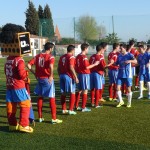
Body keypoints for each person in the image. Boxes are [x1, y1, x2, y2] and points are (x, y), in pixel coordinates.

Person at [27, 42, 62, 124]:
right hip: (47, 79)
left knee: (40, 97)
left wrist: (34, 73)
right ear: (50, 49)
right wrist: (51, 75)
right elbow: (50, 66)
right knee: (51, 97)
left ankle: (40, 117)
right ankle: (53, 118)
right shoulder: (50, 57)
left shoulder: (37, 56)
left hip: (40, 79)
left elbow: (28, 65)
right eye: (52, 48)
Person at [5, 56, 33, 133]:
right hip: (18, 86)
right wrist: (26, 75)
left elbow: (5, 71)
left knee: (11, 105)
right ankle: (24, 125)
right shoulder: (19, 60)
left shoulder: (8, 59)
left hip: (9, 85)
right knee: (26, 104)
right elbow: (21, 74)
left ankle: (12, 124)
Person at [75, 43, 99, 112]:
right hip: (84, 75)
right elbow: (86, 67)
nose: (88, 50)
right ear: (85, 48)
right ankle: (83, 107)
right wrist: (95, 64)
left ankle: (76, 106)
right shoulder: (84, 57)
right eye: (88, 48)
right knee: (85, 91)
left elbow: (76, 66)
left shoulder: (78, 56)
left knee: (79, 90)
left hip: (79, 74)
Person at [58, 45, 79, 115]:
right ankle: (70, 109)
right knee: (72, 92)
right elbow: (71, 67)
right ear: (73, 50)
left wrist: (60, 75)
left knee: (63, 93)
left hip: (62, 75)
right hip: (68, 76)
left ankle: (64, 109)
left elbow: (58, 68)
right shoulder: (71, 57)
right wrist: (75, 77)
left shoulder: (62, 57)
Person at [115, 44, 137, 108]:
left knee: (128, 89)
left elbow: (136, 61)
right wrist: (112, 62)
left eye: (121, 48)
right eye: (119, 48)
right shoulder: (119, 56)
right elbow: (116, 63)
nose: (120, 50)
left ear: (124, 48)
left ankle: (129, 103)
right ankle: (121, 101)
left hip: (127, 75)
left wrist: (130, 61)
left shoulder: (130, 55)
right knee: (117, 88)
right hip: (120, 74)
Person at [89, 42, 108, 108]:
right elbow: (103, 66)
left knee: (92, 88)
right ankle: (96, 104)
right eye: (103, 49)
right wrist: (107, 68)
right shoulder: (100, 57)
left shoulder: (92, 56)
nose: (104, 50)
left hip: (91, 73)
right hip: (98, 74)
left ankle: (92, 102)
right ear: (101, 50)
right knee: (97, 88)